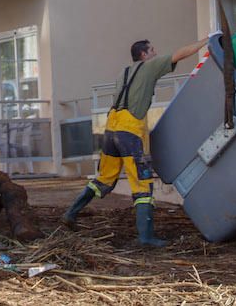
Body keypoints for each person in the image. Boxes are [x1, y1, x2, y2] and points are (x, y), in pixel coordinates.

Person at [61, 36, 209, 246]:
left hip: (111, 130)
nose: (156, 53)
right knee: (142, 186)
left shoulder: (125, 72)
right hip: (130, 133)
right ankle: (146, 237)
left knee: (104, 179)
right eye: (153, 50)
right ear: (144, 55)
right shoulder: (149, 67)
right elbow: (180, 54)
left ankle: (71, 213)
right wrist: (206, 41)